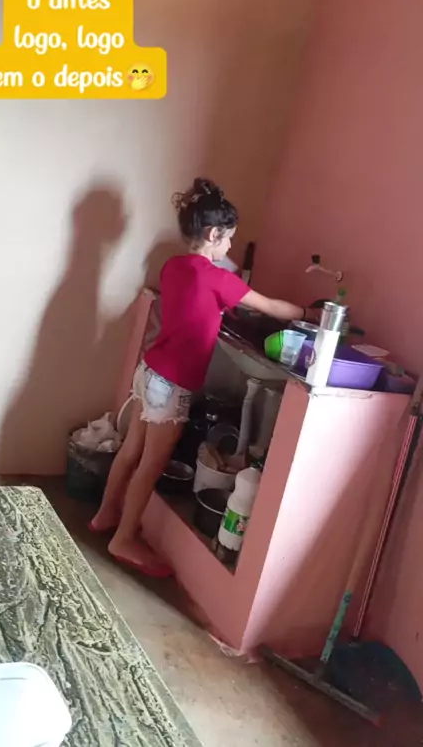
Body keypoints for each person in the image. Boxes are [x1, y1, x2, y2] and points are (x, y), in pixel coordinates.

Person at [90, 178, 309, 576]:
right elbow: (271, 307)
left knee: (131, 449)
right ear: (213, 235)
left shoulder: (174, 267)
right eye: (229, 239)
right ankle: (124, 537)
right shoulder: (218, 278)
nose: (230, 247)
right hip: (172, 384)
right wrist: (310, 314)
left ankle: (105, 514)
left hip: (150, 371)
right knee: (151, 464)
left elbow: (198, 304)